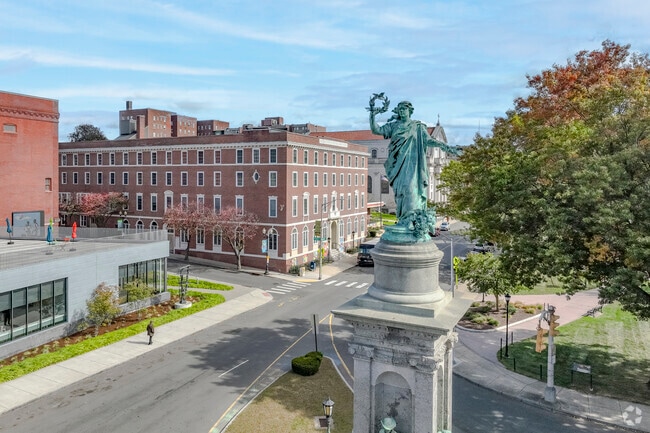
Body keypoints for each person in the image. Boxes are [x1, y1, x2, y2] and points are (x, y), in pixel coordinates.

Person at [369, 98, 460, 221]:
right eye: (400, 109)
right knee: (401, 192)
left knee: (411, 191)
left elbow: (428, 140)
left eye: (404, 109)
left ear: (410, 111)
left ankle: (410, 221)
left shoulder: (418, 127)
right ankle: (404, 220)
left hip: (414, 166)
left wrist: (444, 146)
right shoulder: (393, 126)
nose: (401, 111)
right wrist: (372, 115)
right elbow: (376, 130)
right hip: (397, 165)